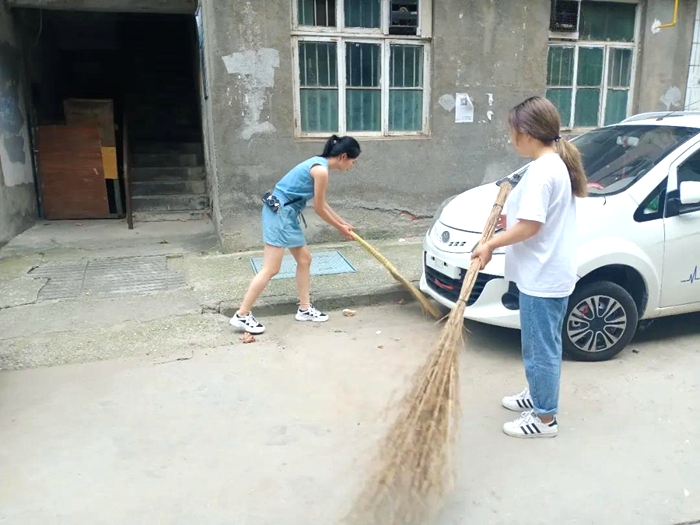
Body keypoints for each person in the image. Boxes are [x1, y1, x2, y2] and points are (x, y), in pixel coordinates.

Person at [472, 96, 587, 438]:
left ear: (526, 132)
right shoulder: (550, 165)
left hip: (544, 276)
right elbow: (531, 218)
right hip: (544, 271)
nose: (510, 138)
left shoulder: (542, 170)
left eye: (512, 131)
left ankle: (545, 418)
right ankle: (537, 394)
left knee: (541, 349)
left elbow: (531, 225)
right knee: (537, 345)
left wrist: (490, 243)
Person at [230, 135, 360, 334]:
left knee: (305, 259)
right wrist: (340, 228)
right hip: (279, 214)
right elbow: (319, 209)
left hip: (285, 214)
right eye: (353, 160)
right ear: (344, 156)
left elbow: (322, 203)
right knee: (271, 268)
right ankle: (242, 314)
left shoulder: (319, 166)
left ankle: (305, 309)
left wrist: (343, 222)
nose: (353, 165)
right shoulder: (321, 171)